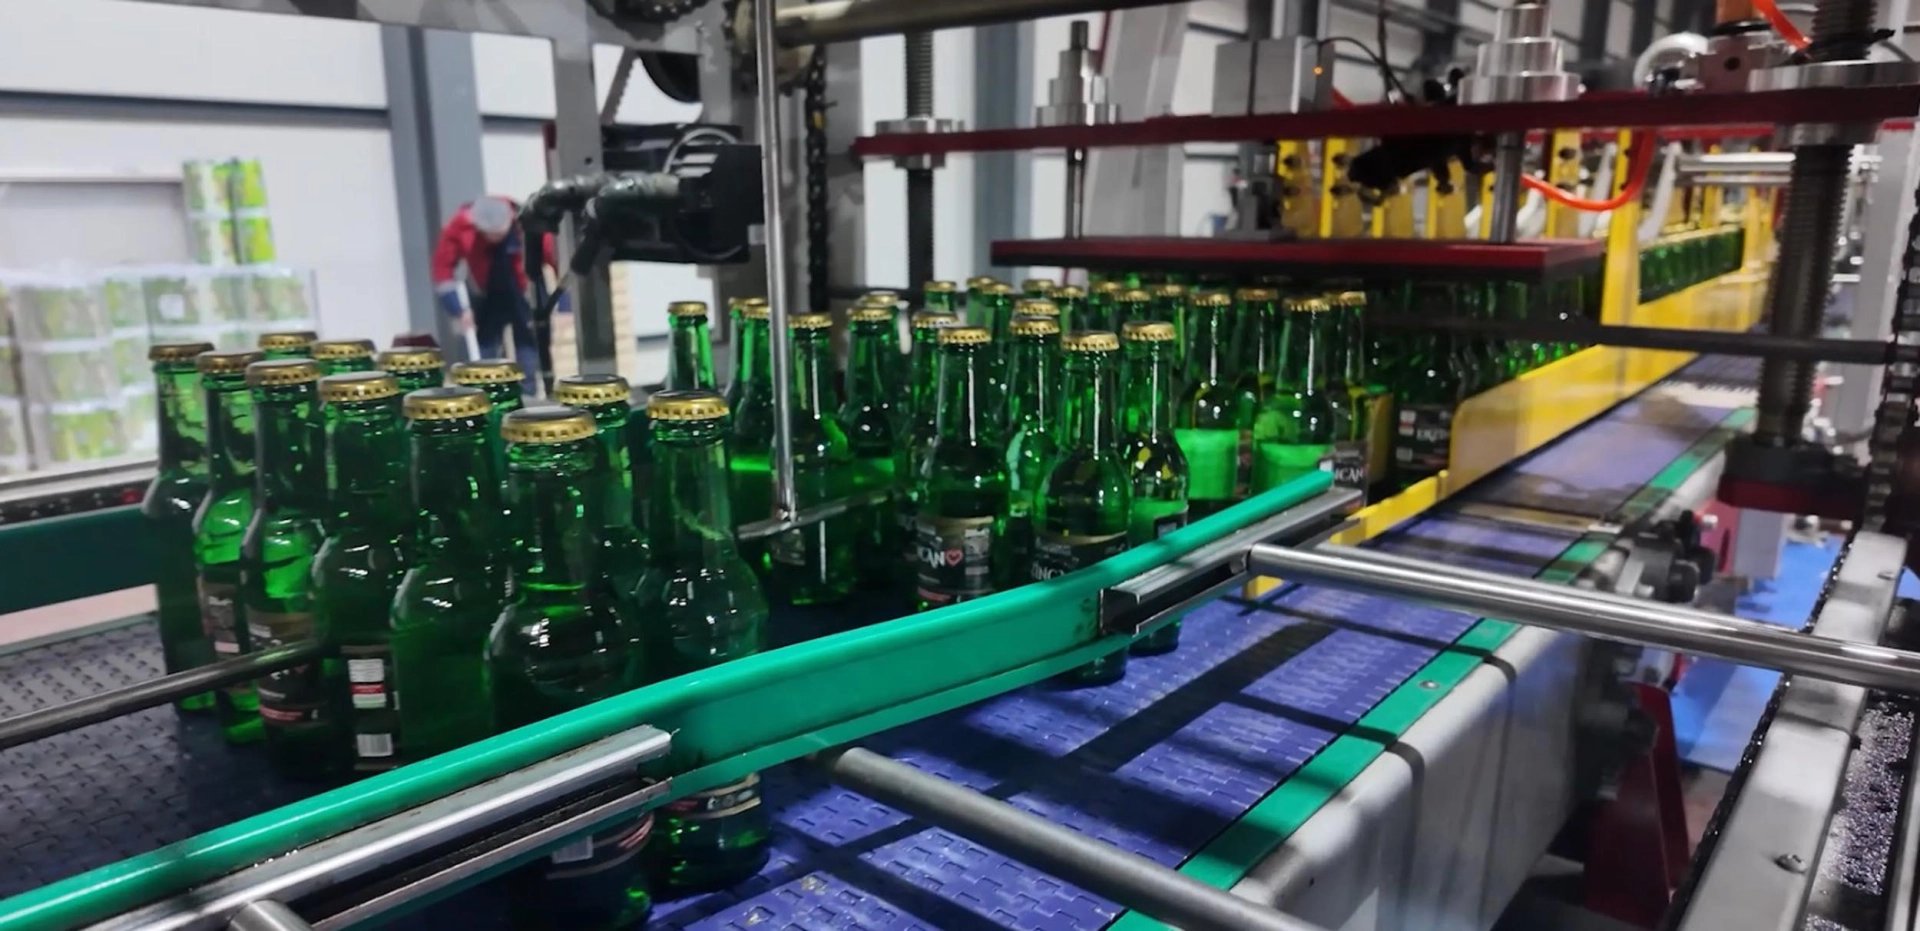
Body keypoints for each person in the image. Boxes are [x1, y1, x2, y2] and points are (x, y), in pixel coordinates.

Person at [432, 196, 546, 394]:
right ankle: (490, 391)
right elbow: (442, 270)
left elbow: (552, 254)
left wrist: (563, 301)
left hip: (521, 290)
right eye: (491, 235)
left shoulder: (527, 220)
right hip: (486, 294)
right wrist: (458, 309)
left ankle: (528, 394)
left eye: (500, 233)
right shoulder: (459, 226)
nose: (496, 237)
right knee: (486, 343)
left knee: (527, 340)